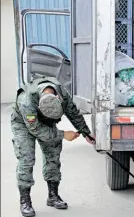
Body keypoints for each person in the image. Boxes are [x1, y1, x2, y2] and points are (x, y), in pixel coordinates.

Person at [11, 76, 95, 217]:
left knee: (53, 157)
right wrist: (63, 134)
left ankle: (53, 196)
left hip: (47, 122)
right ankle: (25, 201)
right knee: (26, 159)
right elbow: (35, 128)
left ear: (58, 97)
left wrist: (86, 132)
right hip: (24, 125)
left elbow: (73, 113)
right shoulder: (26, 101)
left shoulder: (62, 93)